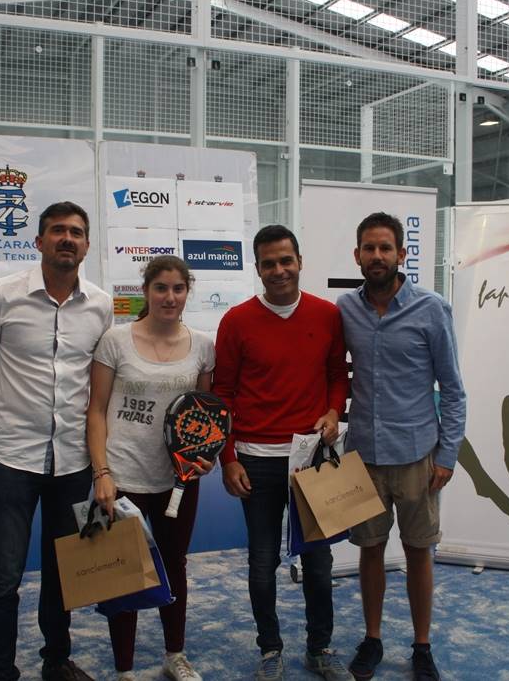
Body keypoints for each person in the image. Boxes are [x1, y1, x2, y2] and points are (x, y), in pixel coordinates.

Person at [0, 201, 112, 681]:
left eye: (76, 232)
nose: (67, 238)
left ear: (86, 245)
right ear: (39, 241)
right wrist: (10, 420)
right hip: (15, 458)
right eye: (57, 230)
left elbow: (98, 382)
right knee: (5, 574)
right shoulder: (2, 295)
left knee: (62, 569)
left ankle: (56, 660)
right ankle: (1, 671)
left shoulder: (100, 305)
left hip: (72, 459)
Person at [214, 225, 352, 681]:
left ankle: (320, 648)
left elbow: (337, 375)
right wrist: (228, 458)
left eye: (286, 260)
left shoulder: (327, 315)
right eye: (269, 263)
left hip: (312, 459)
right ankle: (270, 649)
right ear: (257, 268)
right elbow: (223, 394)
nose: (279, 270)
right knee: (261, 563)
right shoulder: (236, 321)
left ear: (299, 262)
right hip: (255, 460)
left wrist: (333, 411)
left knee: (319, 564)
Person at [337, 212, 466, 681]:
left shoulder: (432, 308)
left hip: (417, 457)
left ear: (401, 254)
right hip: (363, 456)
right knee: (370, 550)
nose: (377, 256)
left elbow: (453, 389)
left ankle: (422, 646)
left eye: (385, 248)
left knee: (418, 552)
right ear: (357, 255)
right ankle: (372, 639)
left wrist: (447, 456)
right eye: (369, 248)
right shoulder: (344, 309)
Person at [86, 255, 216, 681]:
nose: (170, 297)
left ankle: (174, 655)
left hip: (177, 481)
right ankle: (124, 669)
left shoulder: (203, 346)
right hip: (122, 478)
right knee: (124, 573)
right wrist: (102, 473)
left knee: (175, 565)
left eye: (178, 289)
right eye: (161, 288)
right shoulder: (115, 341)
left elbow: (204, 417)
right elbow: (96, 411)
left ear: (187, 293)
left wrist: (205, 457)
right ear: (146, 291)